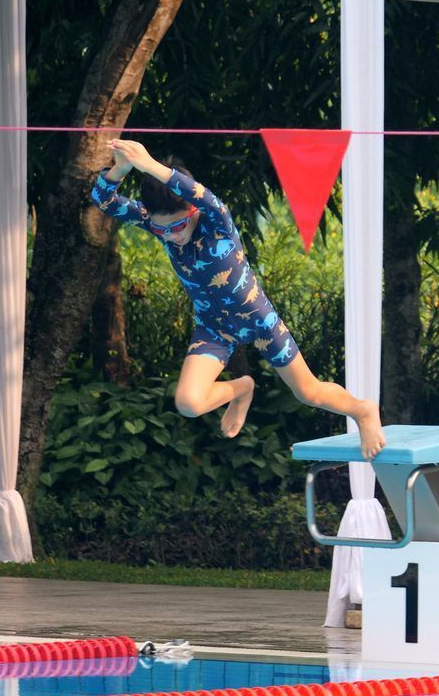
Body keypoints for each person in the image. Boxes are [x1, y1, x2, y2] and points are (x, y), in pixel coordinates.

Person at [89, 139, 385, 459]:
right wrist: (121, 168)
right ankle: (243, 387)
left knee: (308, 392)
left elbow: (198, 192)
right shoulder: (152, 219)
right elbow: (103, 199)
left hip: (259, 321)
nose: (171, 235)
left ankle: (363, 410)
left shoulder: (216, 219)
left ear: (191, 211)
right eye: (163, 231)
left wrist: (149, 165)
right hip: (213, 328)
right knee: (188, 403)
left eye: (177, 226)